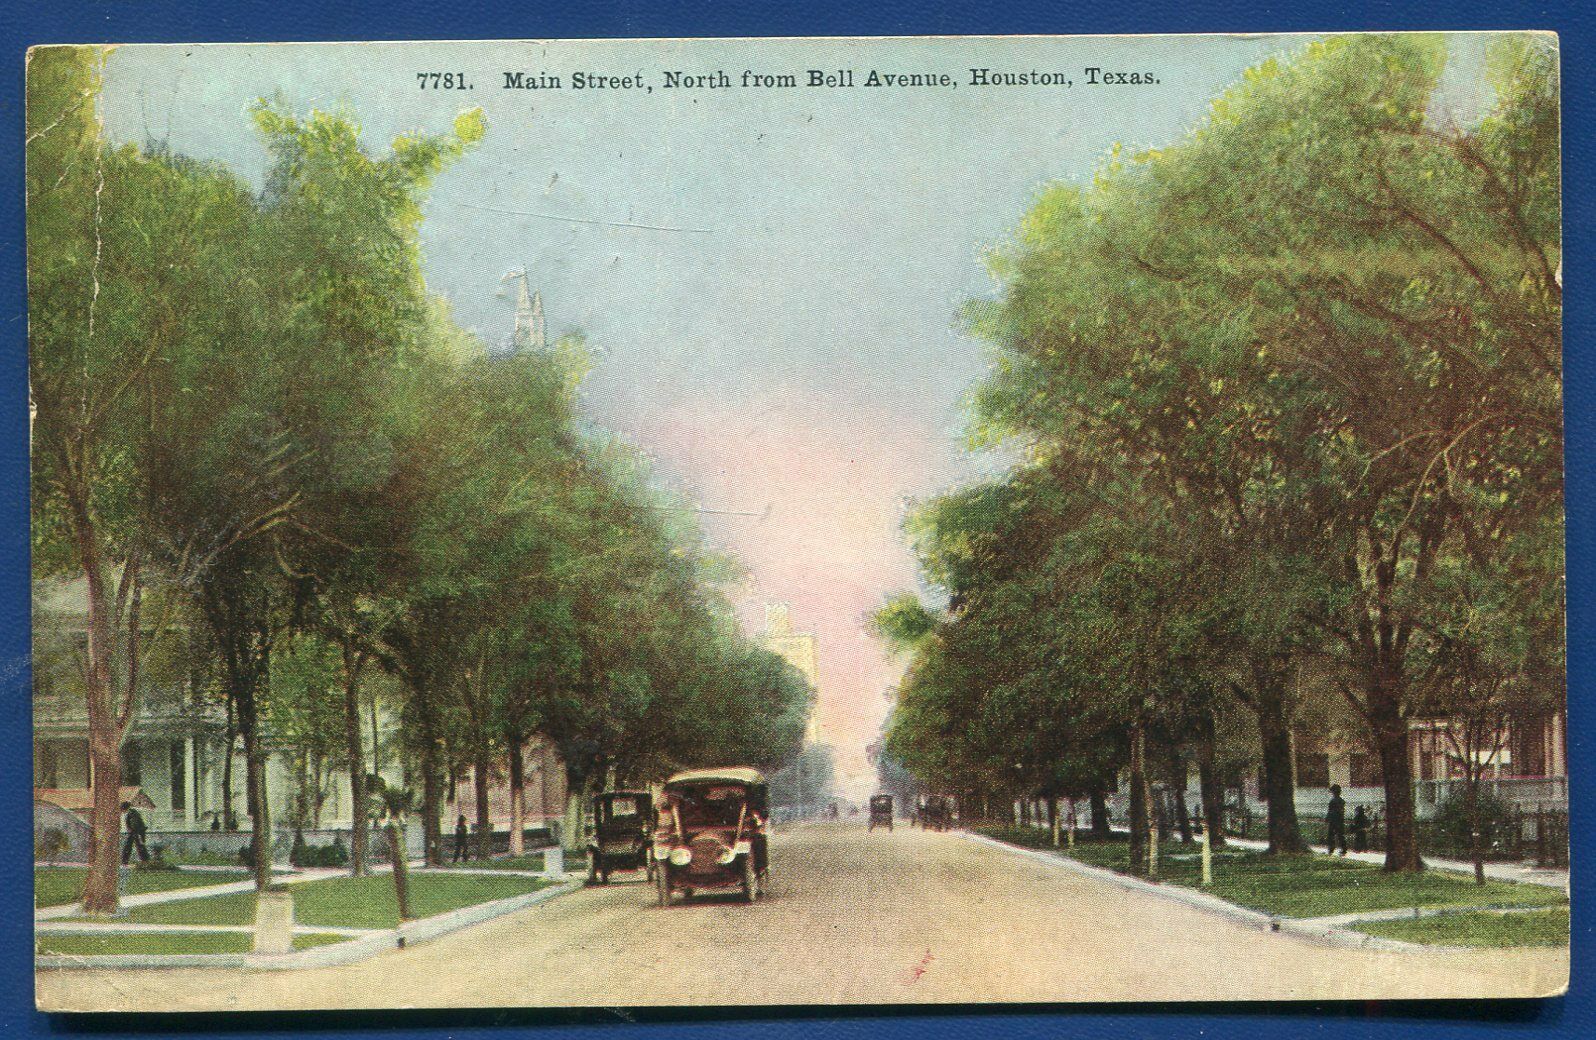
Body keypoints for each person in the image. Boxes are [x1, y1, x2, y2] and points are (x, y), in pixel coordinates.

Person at [1325, 784, 1347, 856]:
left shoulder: (1332, 801)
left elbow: (1330, 811)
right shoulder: (1342, 801)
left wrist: (1327, 818)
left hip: (1333, 820)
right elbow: (1342, 811)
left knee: (1330, 835)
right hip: (1340, 820)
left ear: (1334, 792)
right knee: (1340, 835)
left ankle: (1331, 849)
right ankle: (1343, 849)